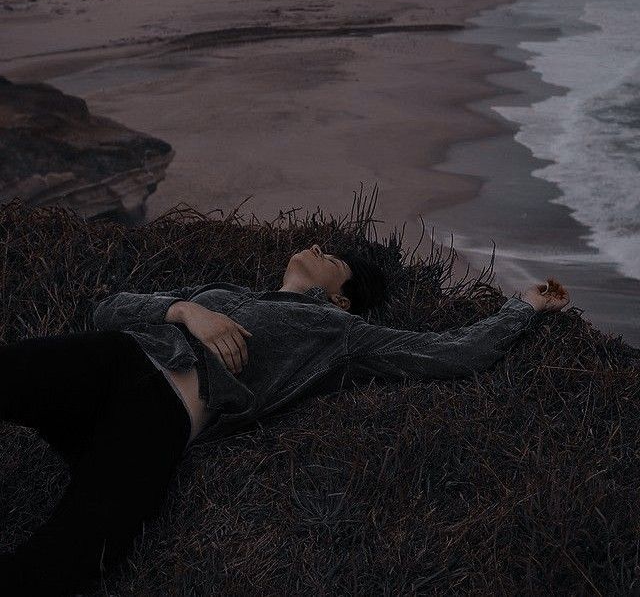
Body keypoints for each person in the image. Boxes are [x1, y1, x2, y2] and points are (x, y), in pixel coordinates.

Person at [0, 243, 570, 596]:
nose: (319, 247)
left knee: (79, 557)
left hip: (162, 417)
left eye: (336, 260)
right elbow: (109, 308)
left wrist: (524, 305)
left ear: (342, 298)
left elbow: (453, 353)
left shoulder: (338, 332)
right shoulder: (220, 293)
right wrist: (188, 310)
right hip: (114, 362)